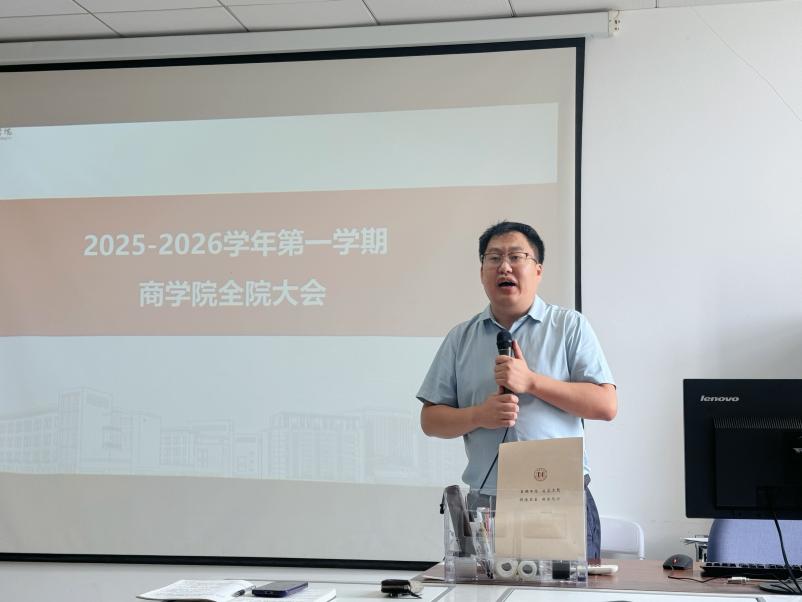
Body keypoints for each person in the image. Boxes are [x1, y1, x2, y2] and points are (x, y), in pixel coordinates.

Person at [416, 221, 616, 561]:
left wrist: (532, 382)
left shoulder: (569, 326)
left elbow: (606, 405)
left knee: (563, 591)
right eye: (493, 258)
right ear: (482, 272)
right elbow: (430, 420)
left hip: (557, 499)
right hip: (486, 505)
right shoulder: (460, 337)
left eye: (516, 256)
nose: (504, 266)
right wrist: (480, 415)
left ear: (538, 270)